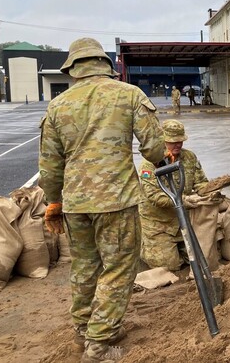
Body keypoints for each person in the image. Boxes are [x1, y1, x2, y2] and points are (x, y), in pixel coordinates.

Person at [38, 37, 166, 362]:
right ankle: (98, 345)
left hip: (75, 204)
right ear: (105, 65)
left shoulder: (58, 105)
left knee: (83, 266)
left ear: (72, 68)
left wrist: (54, 202)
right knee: (119, 268)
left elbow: (50, 165)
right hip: (116, 201)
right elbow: (152, 149)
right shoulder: (129, 95)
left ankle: (83, 331)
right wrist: (161, 160)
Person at [138, 119, 210, 270]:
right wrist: (184, 200)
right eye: (173, 141)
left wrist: (209, 191)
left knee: (202, 257)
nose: (178, 144)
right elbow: (154, 197)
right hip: (159, 224)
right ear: (163, 140)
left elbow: (200, 182)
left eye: (180, 141)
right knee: (169, 266)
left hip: (183, 221)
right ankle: (143, 246)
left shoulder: (189, 157)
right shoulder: (150, 163)